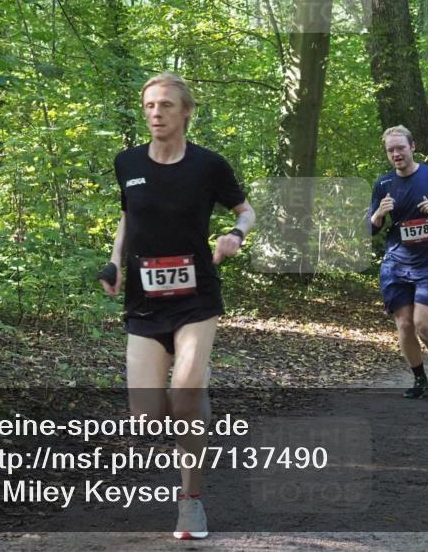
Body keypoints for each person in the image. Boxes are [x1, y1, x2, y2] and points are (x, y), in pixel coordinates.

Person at [100, 72, 254, 540]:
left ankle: (191, 501)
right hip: (144, 301)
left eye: (166, 105)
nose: (155, 113)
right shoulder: (126, 162)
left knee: (185, 390)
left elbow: (244, 210)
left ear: (186, 111)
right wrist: (113, 262)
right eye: (149, 106)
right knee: (146, 416)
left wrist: (235, 235)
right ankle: (196, 405)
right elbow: (127, 216)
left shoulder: (209, 166)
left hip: (196, 298)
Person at [369, 125, 428, 398]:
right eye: (390, 150)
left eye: (400, 148)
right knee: (405, 325)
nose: (396, 154)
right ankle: (419, 378)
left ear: (412, 147)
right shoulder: (384, 184)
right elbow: (371, 228)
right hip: (395, 263)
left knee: (423, 323)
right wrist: (378, 215)